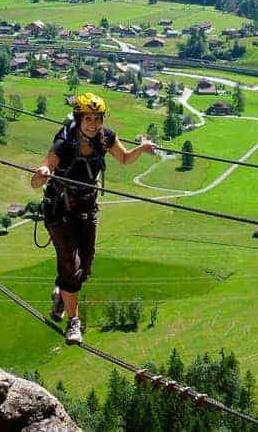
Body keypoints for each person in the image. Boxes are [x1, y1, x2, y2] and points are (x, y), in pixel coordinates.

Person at [30, 92, 154, 344]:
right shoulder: (64, 143)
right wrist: (42, 173)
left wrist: (141, 148)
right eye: (88, 118)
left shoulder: (106, 138)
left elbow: (124, 158)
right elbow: (38, 177)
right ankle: (73, 323)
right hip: (60, 210)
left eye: (97, 118)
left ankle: (60, 293)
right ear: (79, 118)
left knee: (85, 265)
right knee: (71, 266)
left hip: (87, 207)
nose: (93, 124)